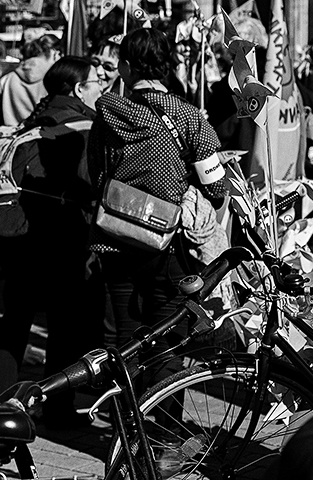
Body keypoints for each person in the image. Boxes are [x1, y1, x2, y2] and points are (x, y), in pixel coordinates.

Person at [88, 28, 226, 388]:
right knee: (168, 340)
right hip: (169, 244)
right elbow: (217, 186)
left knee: (126, 337)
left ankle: (128, 427)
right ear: (166, 67)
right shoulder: (190, 118)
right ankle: (162, 435)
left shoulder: (106, 114)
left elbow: (97, 173)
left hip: (115, 236)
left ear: (127, 67)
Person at [0, 57, 105, 427]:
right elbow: (91, 184)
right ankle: (58, 408)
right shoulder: (85, 128)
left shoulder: (30, 122)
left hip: (17, 236)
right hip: (63, 237)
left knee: (15, 317)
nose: (102, 88)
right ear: (79, 89)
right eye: (96, 81)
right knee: (63, 323)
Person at [0, 34, 61, 126]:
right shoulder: (54, 79)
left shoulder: (8, 77)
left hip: (9, 136)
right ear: (54, 53)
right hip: (40, 134)